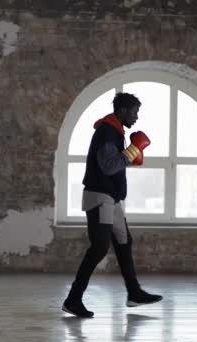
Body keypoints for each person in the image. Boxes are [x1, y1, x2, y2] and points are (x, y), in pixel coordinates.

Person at [62, 92, 163, 318]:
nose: (137, 117)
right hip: (100, 197)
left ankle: (134, 293)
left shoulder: (116, 131)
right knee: (99, 247)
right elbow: (109, 166)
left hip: (112, 198)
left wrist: (131, 153)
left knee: (124, 241)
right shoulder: (107, 132)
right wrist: (133, 150)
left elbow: (114, 165)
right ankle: (73, 300)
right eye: (135, 112)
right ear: (123, 111)